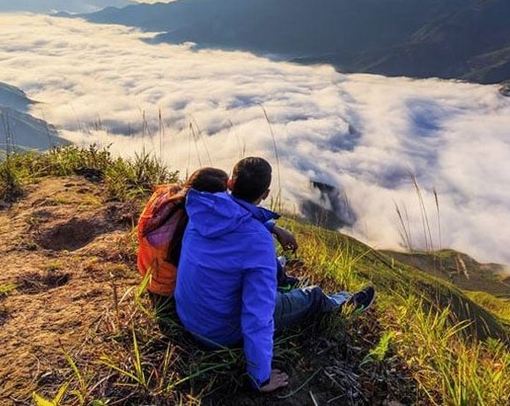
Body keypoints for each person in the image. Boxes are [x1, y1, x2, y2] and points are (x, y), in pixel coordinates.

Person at [175, 156, 375, 393]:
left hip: (188, 314)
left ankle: (285, 283)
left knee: (263, 268)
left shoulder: (201, 207)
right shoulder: (256, 241)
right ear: (266, 193)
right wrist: (260, 377)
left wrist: (273, 227)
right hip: (219, 332)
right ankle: (341, 304)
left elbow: (236, 214)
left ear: (230, 183)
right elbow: (257, 315)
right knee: (312, 296)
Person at [137, 166, 300, 297]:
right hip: (170, 289)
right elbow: (236, 224)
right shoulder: (201, 223)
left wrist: (273, 227)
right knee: (248, 250)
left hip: (148, 277)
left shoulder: (165, 197)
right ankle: (283, 282)